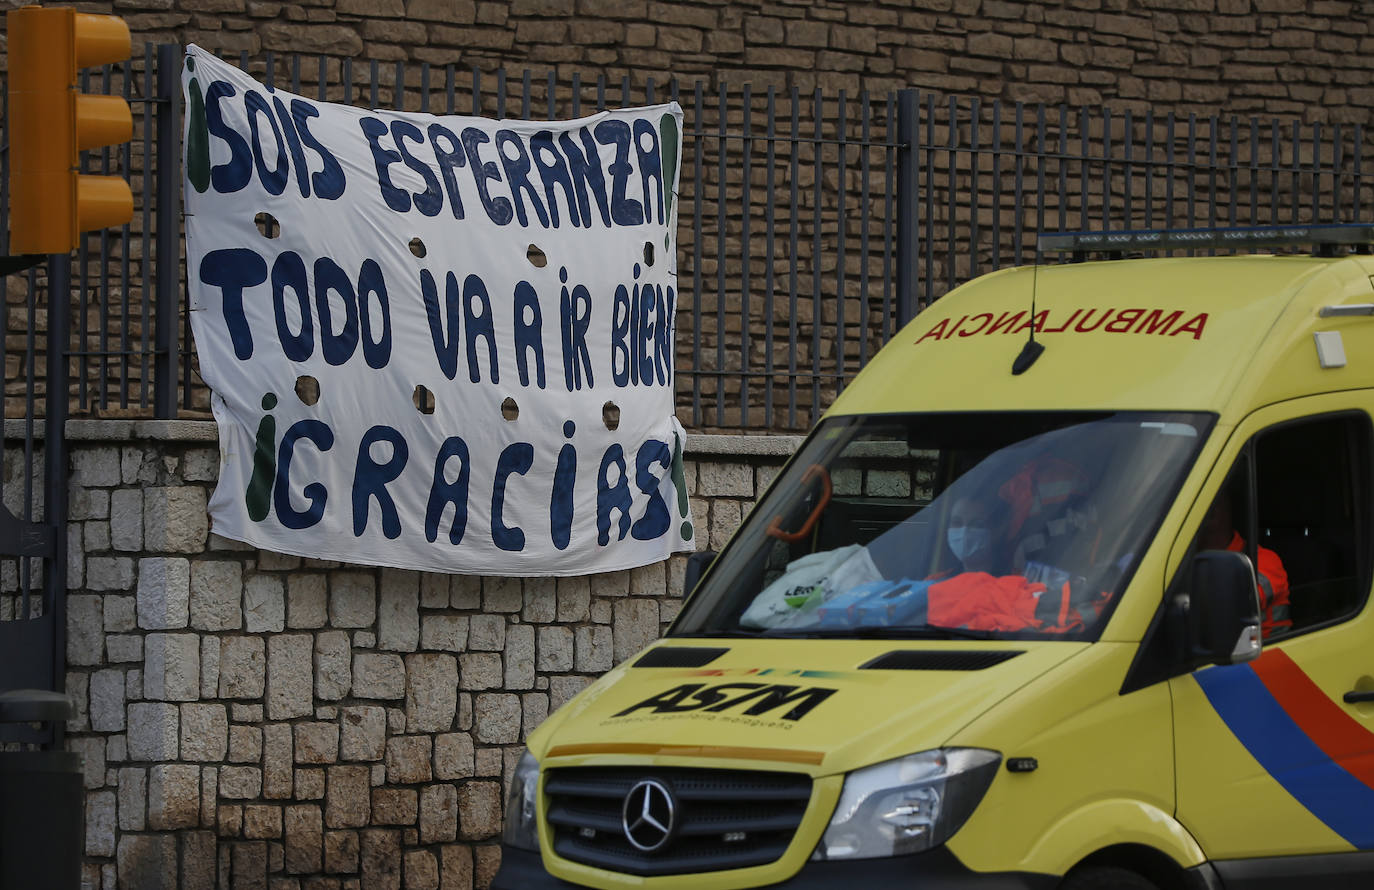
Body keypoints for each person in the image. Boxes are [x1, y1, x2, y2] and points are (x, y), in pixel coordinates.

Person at [1197, 495, 1291, 638]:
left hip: (1268, 654)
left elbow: (1232, 606)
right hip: (1220, 653)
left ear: (1228, 508)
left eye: (1216, 499)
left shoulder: (1264, 560)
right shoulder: (1185, 561)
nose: (1209, 506)